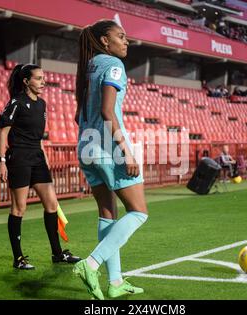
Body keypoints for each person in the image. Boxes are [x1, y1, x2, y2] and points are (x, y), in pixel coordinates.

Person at [72, 19, 148, 300]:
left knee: (108, 213)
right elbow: (107, 112)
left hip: (85, 146)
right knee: (139, 212)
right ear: (105, 40)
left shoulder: (88, 68)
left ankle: (115, 282)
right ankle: (90, 264)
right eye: (121, 36)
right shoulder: (114, 65)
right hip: (107, 147)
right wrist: (125, 151)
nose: (126, 41)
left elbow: (79, 116)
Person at [0, 64, 80, 270]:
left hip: (37, 157)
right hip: (19, 158)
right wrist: (1, 161)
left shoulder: (42, 104)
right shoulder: (16, 103)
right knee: (19, 208)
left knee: (52, 204)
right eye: (38, 78)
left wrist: (45, 158)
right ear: (26, 81)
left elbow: (39, 137)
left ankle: (57, 254)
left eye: (43, 78)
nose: (43, 82)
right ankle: (18, 259)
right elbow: (3, 134)